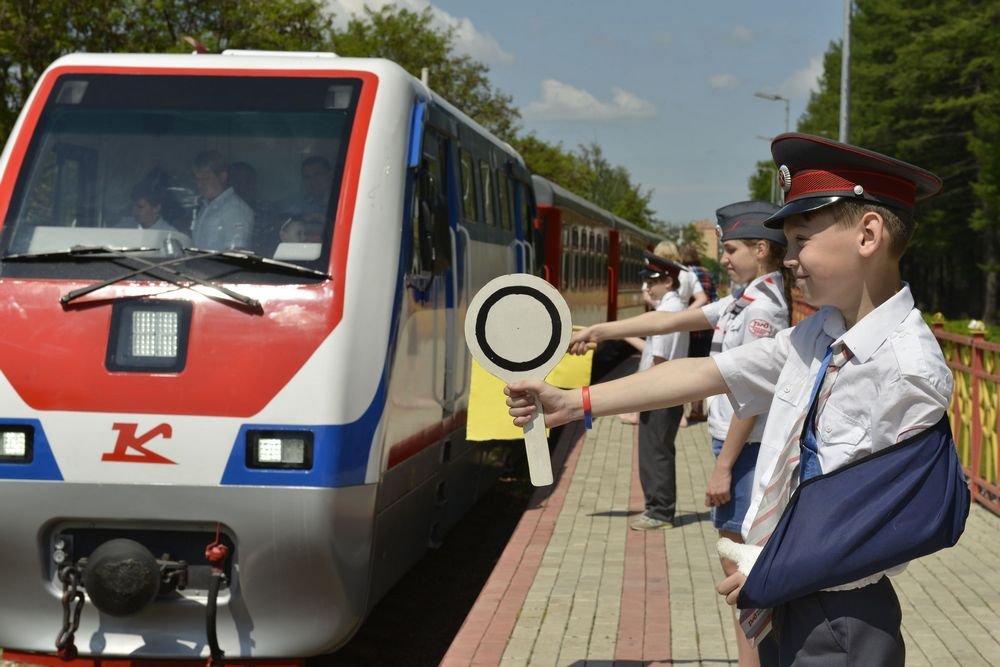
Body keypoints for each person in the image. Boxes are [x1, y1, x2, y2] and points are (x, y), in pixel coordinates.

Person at [507, 133, 953, 666]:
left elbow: (884, 517)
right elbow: (707, 371)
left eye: (801, 239)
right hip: (790, 591)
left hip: (841, 616)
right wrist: (573, 401)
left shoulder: (908, 368)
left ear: (868, 234)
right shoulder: (818, 338)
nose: (789, 260)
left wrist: (776, 564)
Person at [571, 202, 791, 666]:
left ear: (761, 248)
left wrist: (723, 466)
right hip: (735, 448)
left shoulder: (761, 312)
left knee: (744, 580)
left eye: (731, 249)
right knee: (740, 579)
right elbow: (668, 321)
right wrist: (601, 329)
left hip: (746, 453)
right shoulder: (742, 301)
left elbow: (749, 397)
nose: (724, 258)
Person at [629, 254, 689, 530]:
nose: (647, 286)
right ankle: (657, 508)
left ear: (668, 281)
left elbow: (659, 359)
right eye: (645, 279)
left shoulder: (667, 312)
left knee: (655, 452)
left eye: (652, 280)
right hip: (664, 392)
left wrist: (640, 394)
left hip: (660, 393)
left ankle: (660, 512)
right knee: (655, 449)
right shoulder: (672, 307)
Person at [680, 242, 718, 422]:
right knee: (701, 368)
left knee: (685, 369)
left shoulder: (682, 274)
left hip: (687, 329)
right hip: (706, 327)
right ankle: (698, 409)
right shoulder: (707, 273)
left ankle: (684, 413)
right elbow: (714, 299)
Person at [190, 150, 254, 250]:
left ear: (222, 176)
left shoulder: (236, 211)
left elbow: (235, 254)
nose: (200, 185)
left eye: (206, 179)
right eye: (198, 179)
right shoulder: (204, 207)